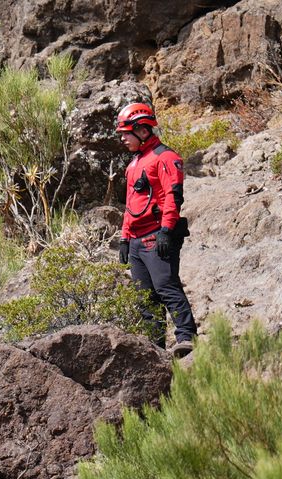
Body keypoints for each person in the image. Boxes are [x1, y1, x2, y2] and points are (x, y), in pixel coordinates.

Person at [115, 102, 197, 357]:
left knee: (166, 286)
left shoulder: (166, 157)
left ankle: (186, 338)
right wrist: (124, 238)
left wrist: (166, 230)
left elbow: (173, 198)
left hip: (156, 235)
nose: (122, 138)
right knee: (145, 298)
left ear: (142, 130)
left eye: (126, 132)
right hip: (137, 240)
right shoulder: (133, 164)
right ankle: (155, 349)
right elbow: (130, 204)